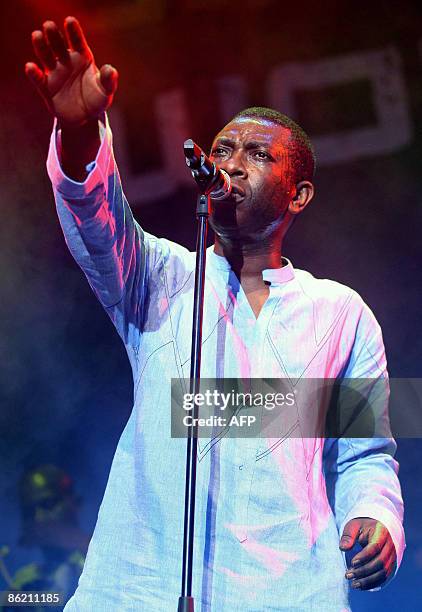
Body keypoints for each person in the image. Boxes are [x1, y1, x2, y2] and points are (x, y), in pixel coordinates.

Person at [25, 17, 405, 611]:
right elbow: (97, 222)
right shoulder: (161, 277)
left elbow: (366, 452)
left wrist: (373, 517)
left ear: (298, 194)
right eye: (222, 148)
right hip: (143, 585)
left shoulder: (341, 312)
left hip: (285, 590)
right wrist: (78, 132)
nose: (229, 163)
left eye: (257, 154)